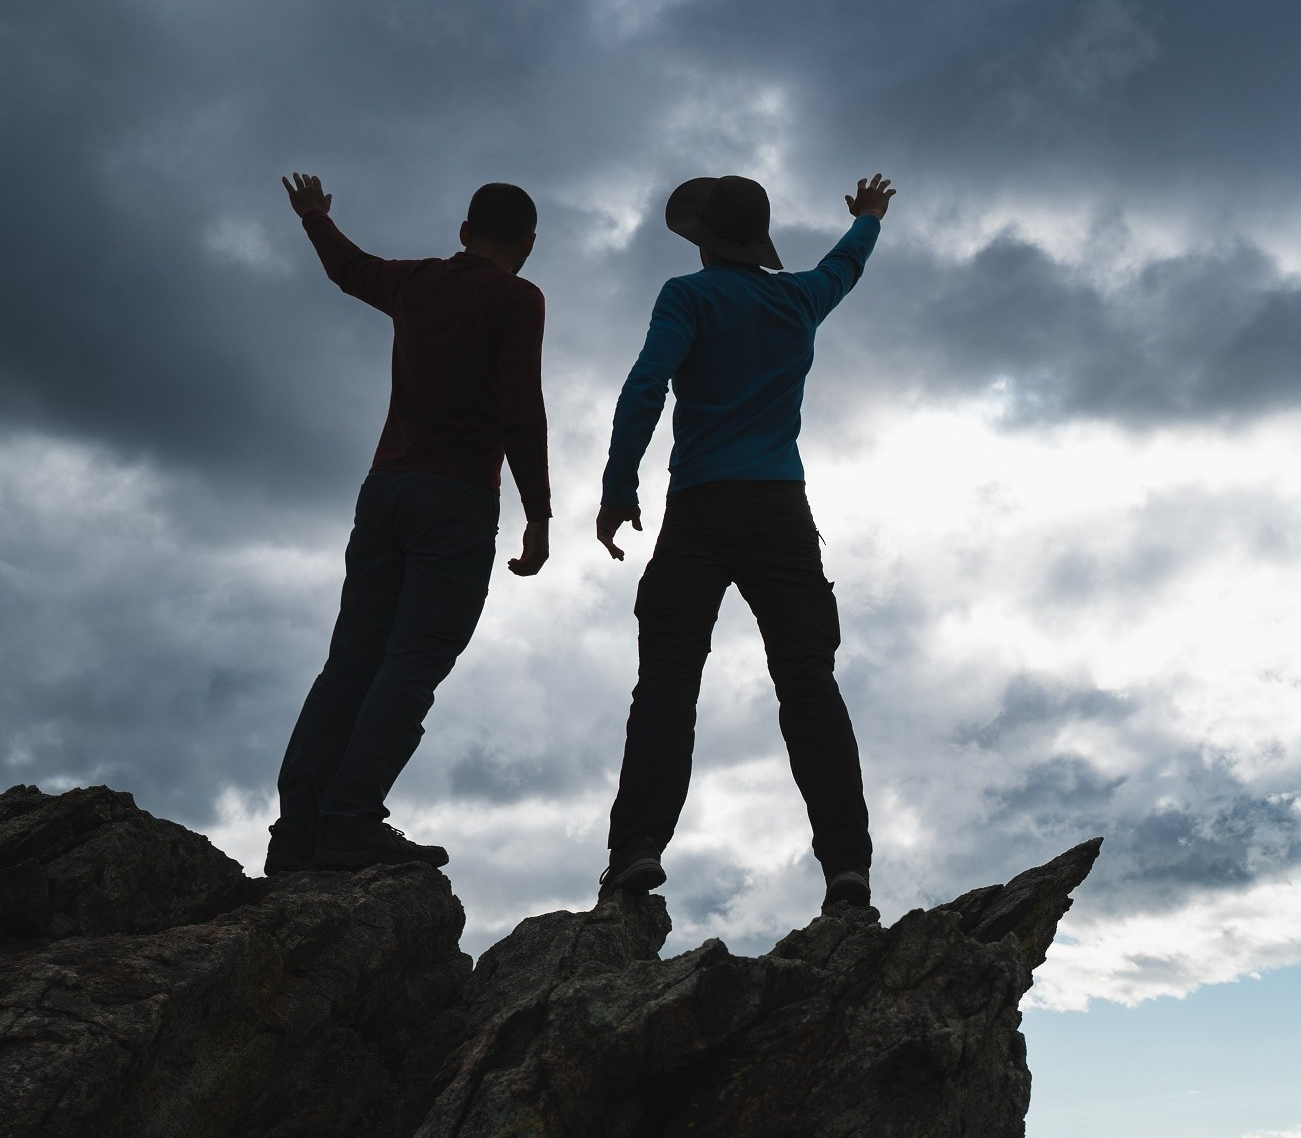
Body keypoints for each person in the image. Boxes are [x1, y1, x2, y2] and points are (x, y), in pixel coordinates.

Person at [594, 172, 895, 914]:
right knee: (808, 682)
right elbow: (844, 266)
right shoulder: (798, 299)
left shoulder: (688, 297)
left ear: (702, 239)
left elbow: (646, 385)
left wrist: (618, 485)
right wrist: (868, 218)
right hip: (781, 512)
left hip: (699, 508)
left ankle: (636, 851)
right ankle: (846, 869)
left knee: (668, 680)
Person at [266, 173, 552, 874]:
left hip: (385, 490)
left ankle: (297, 831)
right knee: (415, 657)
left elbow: (347, 269)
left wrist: (314, 217)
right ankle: (352, 819)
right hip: (454, 501)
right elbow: (520, 406)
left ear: (463, 233)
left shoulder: (417, 283)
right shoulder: (517, 298)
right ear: (528, 243)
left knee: (351, 660)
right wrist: (538, 513)